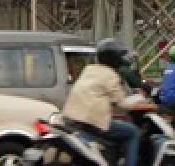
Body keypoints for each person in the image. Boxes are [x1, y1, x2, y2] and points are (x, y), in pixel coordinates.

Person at [62, 38, 148, 166]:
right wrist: (145, 104)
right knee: (133, 132)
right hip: (93, 122)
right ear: (114, 58)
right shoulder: (111, 75)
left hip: (74, 119)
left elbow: (98, 93)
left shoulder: (89, 69)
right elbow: (122, 103)